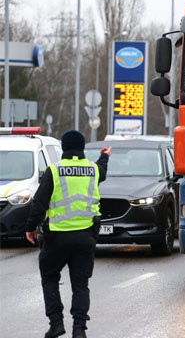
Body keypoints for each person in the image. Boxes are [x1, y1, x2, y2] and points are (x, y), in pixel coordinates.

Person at [25, 130, 111, 338]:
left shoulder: (54, 171)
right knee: (81, 284)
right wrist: (105, 156)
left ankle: (56, 324)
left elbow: (40, 203)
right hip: (85, 237)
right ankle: (79, 329)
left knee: (50, 277)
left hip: (57, 237)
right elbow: (102, 170)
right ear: (82, 148)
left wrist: (30, 227)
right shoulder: (92, 170)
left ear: (63, 148)